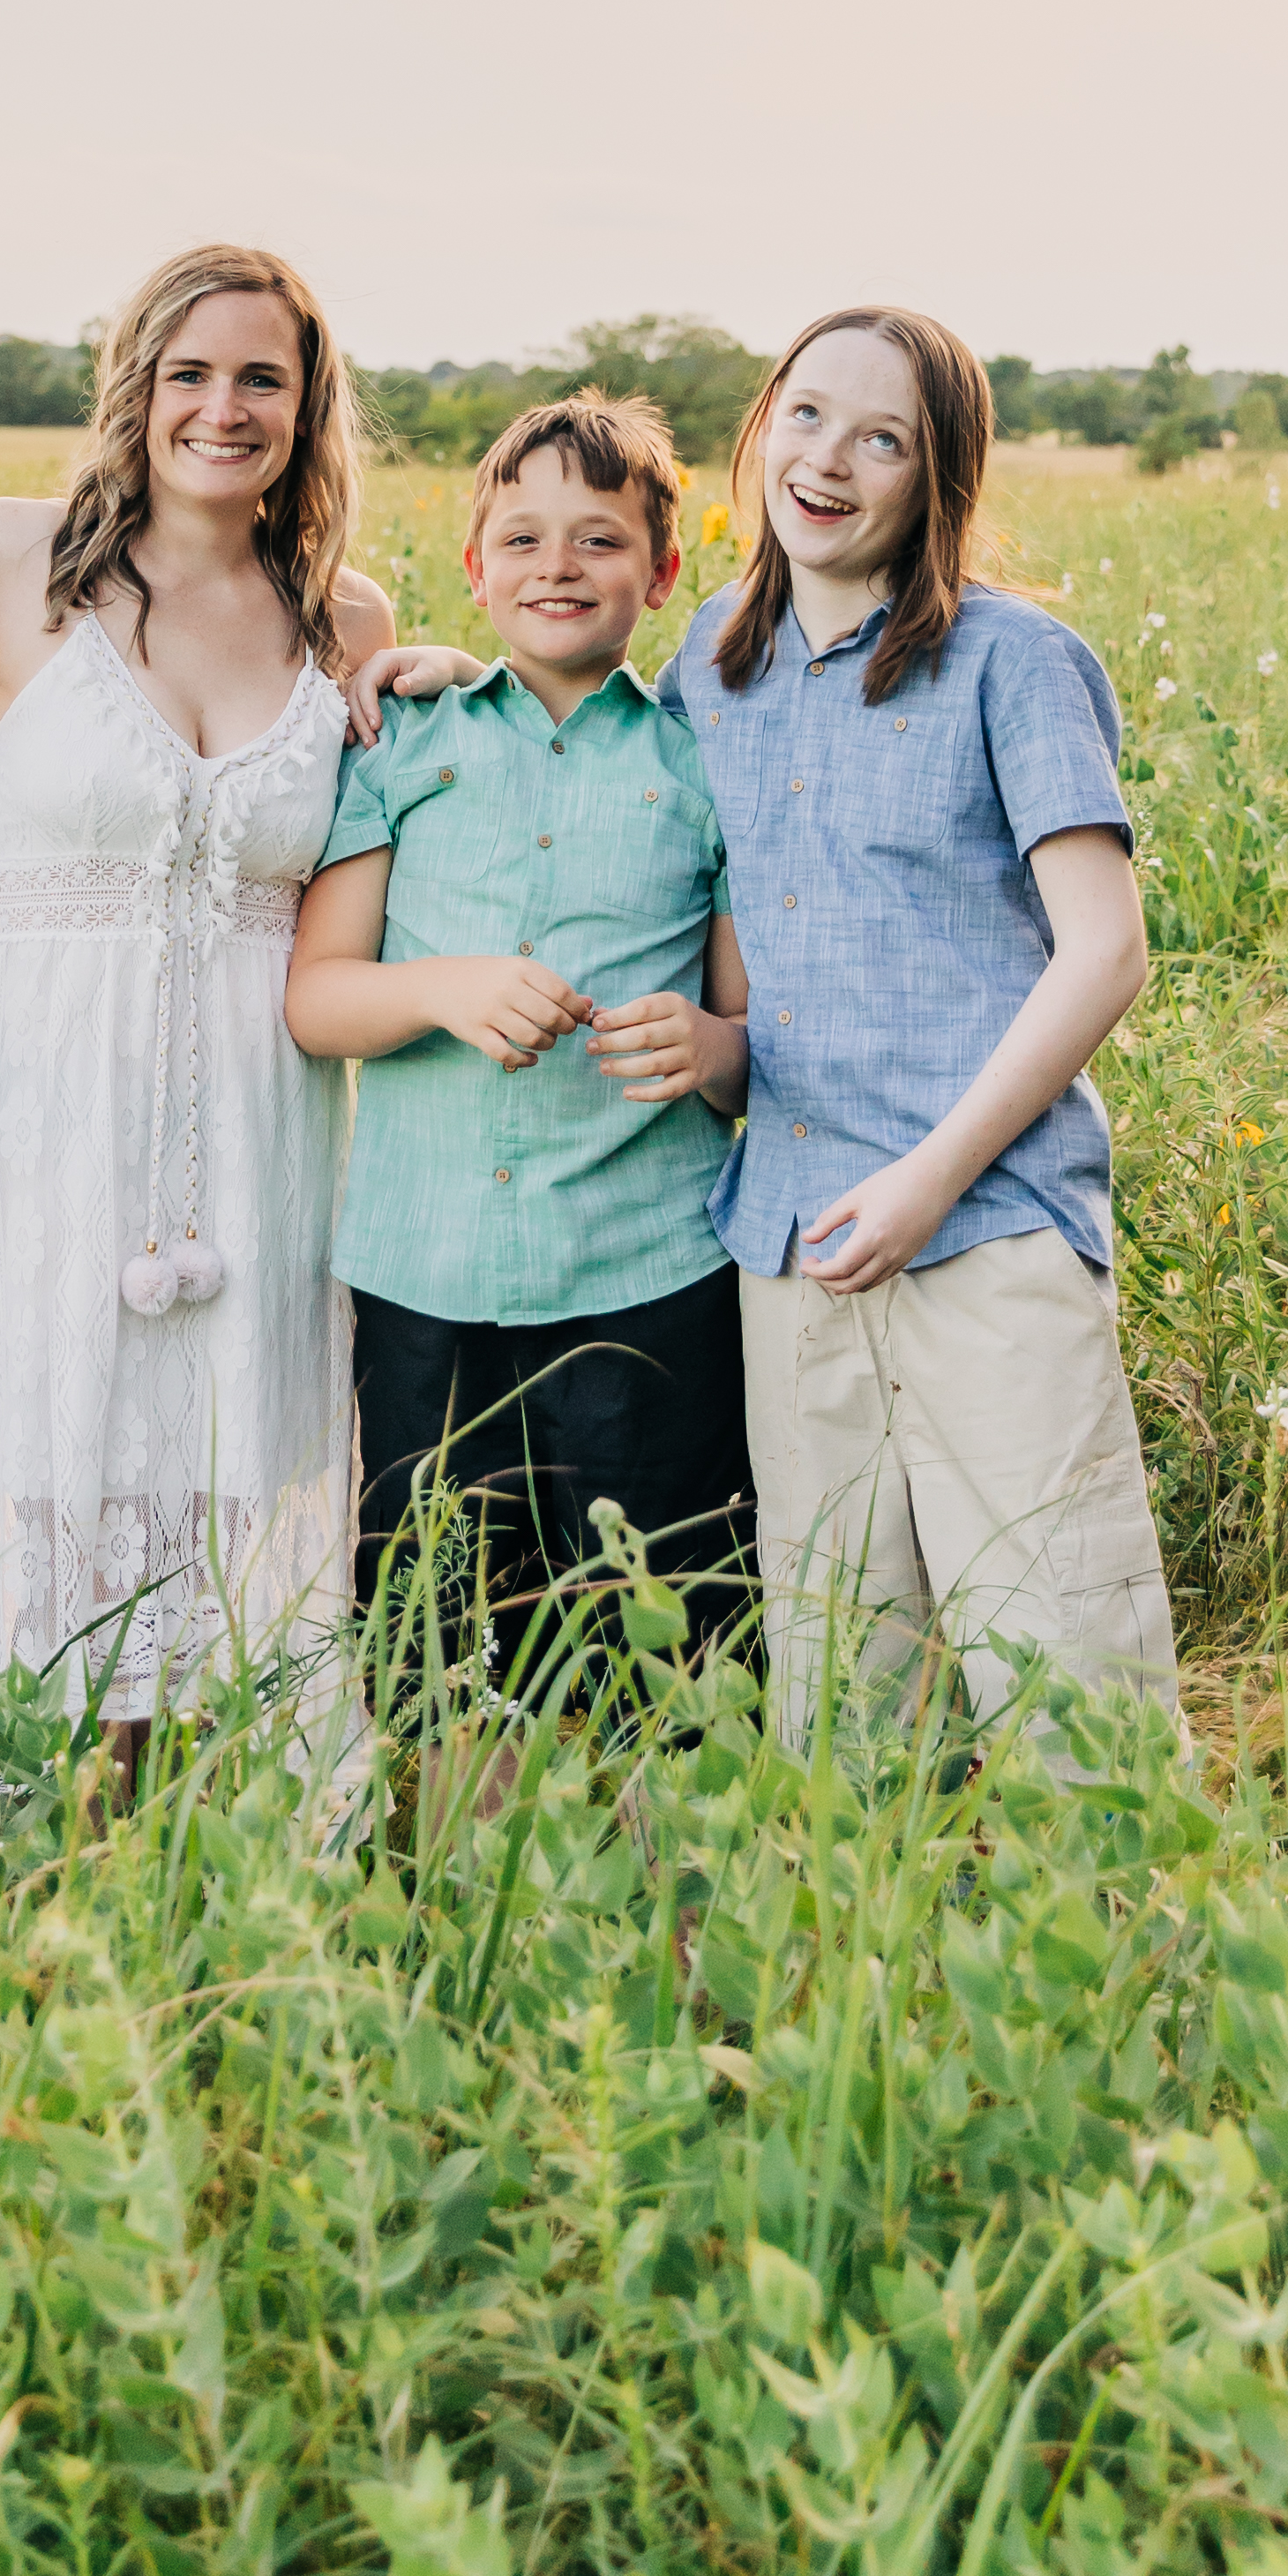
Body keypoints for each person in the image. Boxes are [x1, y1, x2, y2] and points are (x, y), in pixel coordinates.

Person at [670, 303, 1178, 1732]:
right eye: (808, 415)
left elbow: (1106, 954)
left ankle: (1129, 1952)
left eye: (882, 438)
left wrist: (930, 1177)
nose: (829, 462)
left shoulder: (1015, 662)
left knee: (1069, 1670)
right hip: (792, 1238)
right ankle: (854, 1957)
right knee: (838, 1680)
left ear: (934, 480)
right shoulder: (711, 660)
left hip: (987, 1230)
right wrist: (444, 681)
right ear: (763, 425)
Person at [0, 241, 397, 1712]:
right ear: (137, 388)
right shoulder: (9, 559)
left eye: (263, 377)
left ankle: (230, 1855)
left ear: (308, 409)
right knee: (54, 1447)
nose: (223, 407)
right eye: (191, 373)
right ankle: (44, 1843)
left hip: (263, 1129)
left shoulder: (348, 620)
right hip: (41, 1120)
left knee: (241, 1462)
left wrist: (434, 682)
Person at [287, 383, 753, 1667]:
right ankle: (452, 1856)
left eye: (600, 540)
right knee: (434, 1642)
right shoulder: (402, 739)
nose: (560, 565)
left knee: (666, 1635)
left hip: (644, 1275)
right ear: (473, 571)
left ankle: (659, 1857)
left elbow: (743, 1038)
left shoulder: (701, 767)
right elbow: (317, 996)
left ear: (661, 575)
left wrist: (711, 1051)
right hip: (422, 1277)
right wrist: (443, 988)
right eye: (525, 539)